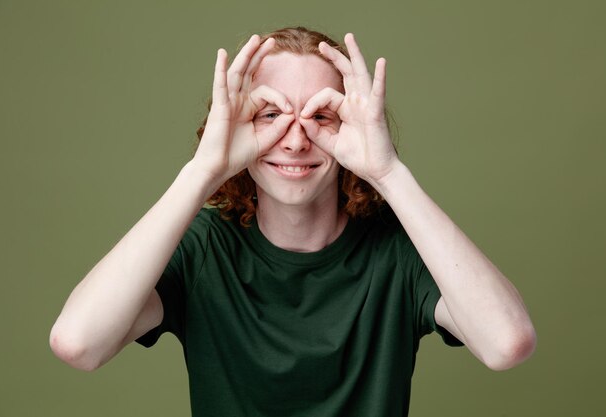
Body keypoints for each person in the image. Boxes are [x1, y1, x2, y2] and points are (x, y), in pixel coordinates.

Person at [50, 27, 536, 417]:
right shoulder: (203, 249)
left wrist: (389, 174)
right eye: (270, 114)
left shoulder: (398, 248)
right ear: (236, 122)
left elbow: (506, 343)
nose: (295, 141)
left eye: (321, 115)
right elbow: (78, 344)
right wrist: (203, 170)